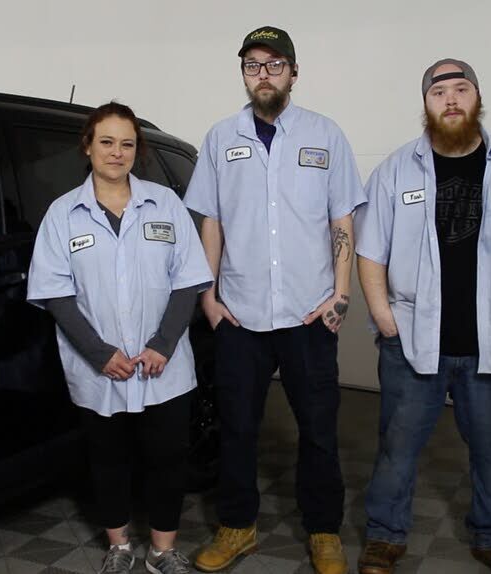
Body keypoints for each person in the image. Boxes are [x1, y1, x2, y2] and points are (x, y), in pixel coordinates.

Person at [354, 59, 491, 574]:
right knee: (397, 449)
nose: (450, 99)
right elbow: (370, 252)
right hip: (411, 342)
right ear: (425, 103)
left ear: (477, 97)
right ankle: (385, 535)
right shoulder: (395, 170)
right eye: (439, 92)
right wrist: (384, 318)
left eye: (461, 89)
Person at [184, 26, 365, 574]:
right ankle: (237, 527)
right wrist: (209, 296)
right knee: (237, 429)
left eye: (274, 64)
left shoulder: (325, 135)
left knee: (319, 430)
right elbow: (212, 221)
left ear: (293, 72)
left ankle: (324, 531)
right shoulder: (221, 138)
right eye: (253, 64)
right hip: (240, 316)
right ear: (244, 73)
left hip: (310, 314)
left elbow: (342, 219)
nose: (263, 74)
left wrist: (340, 295)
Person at [26, 102, 213, 574]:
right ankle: (120, 547)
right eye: (106, 142)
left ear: (137, 151)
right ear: (87, 147)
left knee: (168, 458)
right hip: (99, 369)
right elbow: (55, 293)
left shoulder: (166, 205)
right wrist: (99, 353)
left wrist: (163, 344)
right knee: (108, 459)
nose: (117, 152)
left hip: (164, 366)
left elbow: (188, 280)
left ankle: (162, 551)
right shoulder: (63, 214)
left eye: (127, 144)